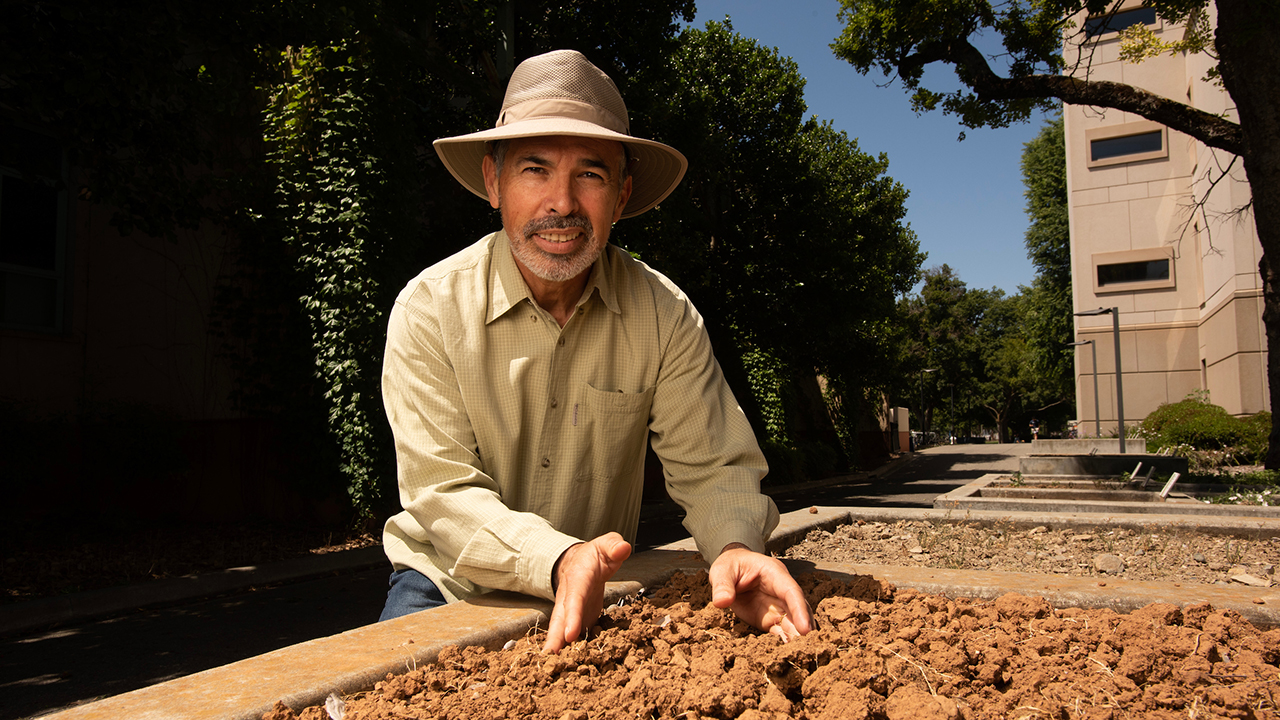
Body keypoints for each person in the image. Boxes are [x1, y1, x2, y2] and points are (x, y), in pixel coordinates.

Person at [378, 49, 812, 652]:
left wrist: (736, 547)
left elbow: (713, 465)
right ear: (492, 181)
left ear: (622, 193)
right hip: (450, 582)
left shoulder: (664, 315)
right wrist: (557, 558)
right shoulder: (429, 309)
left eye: (590, 174)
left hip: (599, 586)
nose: (561, 203)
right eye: (534, 170)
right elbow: (441, 491)